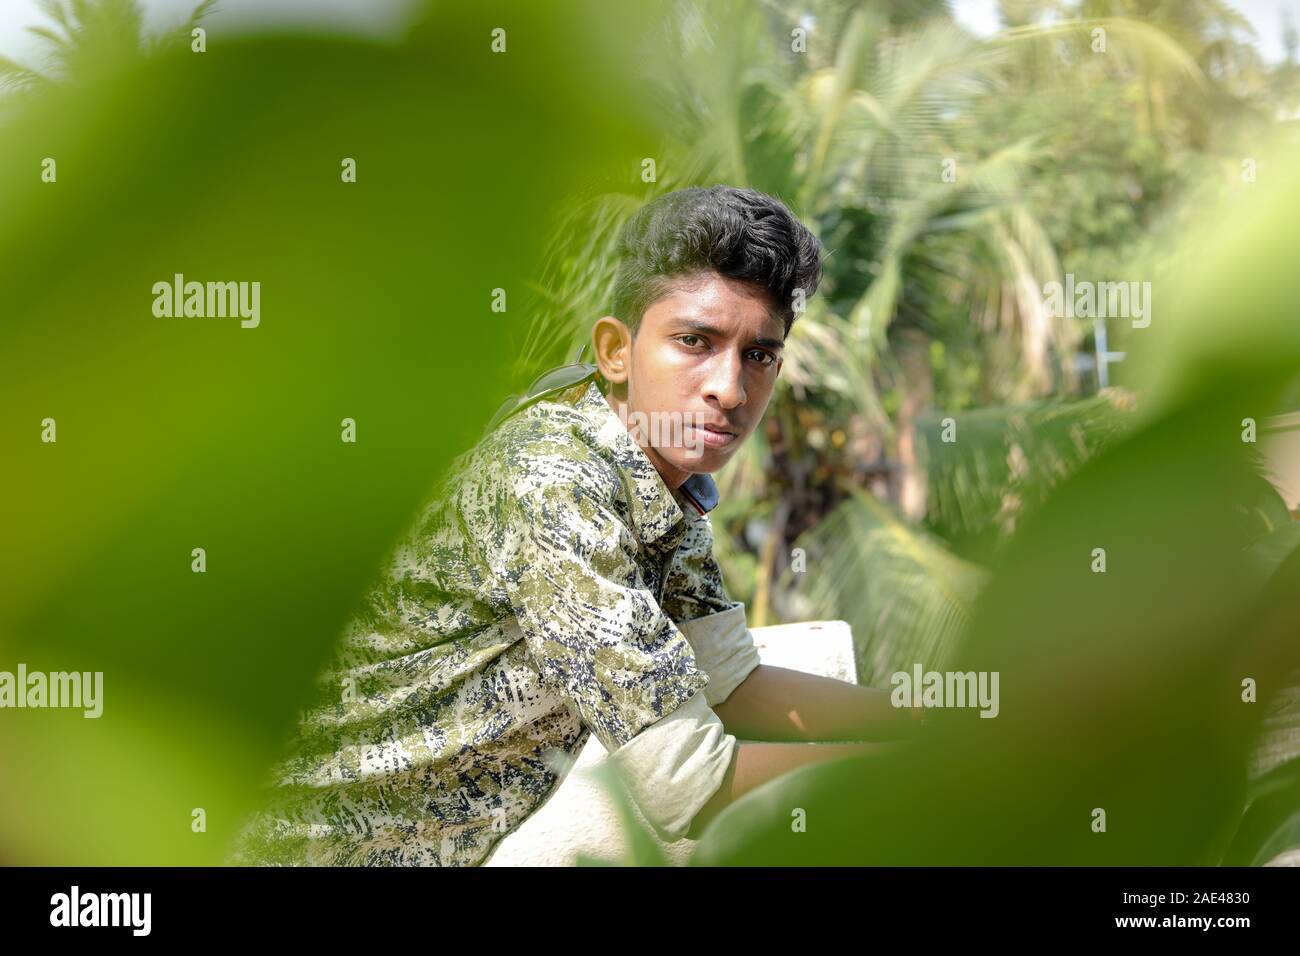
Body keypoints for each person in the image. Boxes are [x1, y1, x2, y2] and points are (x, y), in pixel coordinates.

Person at [227, 185, 921, 867]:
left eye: (758, 355)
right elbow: (691, 786)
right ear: (617, 351)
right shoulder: (554, 482)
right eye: (694, 341)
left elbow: (730, 684)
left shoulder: (657, 484)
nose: (729, 389)